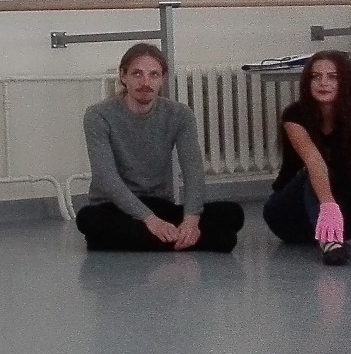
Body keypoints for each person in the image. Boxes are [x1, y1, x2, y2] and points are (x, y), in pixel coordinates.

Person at [74, 43, 245, 252]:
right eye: (137, 73)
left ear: (163, 78)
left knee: (233, 213)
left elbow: (193, 171)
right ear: (123, 76)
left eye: (154, 74)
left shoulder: (179, 114)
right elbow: (106, 177)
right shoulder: (98, 115)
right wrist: (150, 220)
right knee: (88, 219)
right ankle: (193, 240)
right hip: (113, 207)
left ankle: (159, 239)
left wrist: (191, 220)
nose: (145, 82)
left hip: (159, 203)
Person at [262, 51, 351, 265]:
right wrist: (328, 206)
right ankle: (330, 242)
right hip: (289, 215)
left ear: (345, 82)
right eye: (316, 77)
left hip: (344, 221)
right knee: (315, 171)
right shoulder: (294, 116)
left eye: (333, 77)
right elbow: (314, 162)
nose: (323, 83)